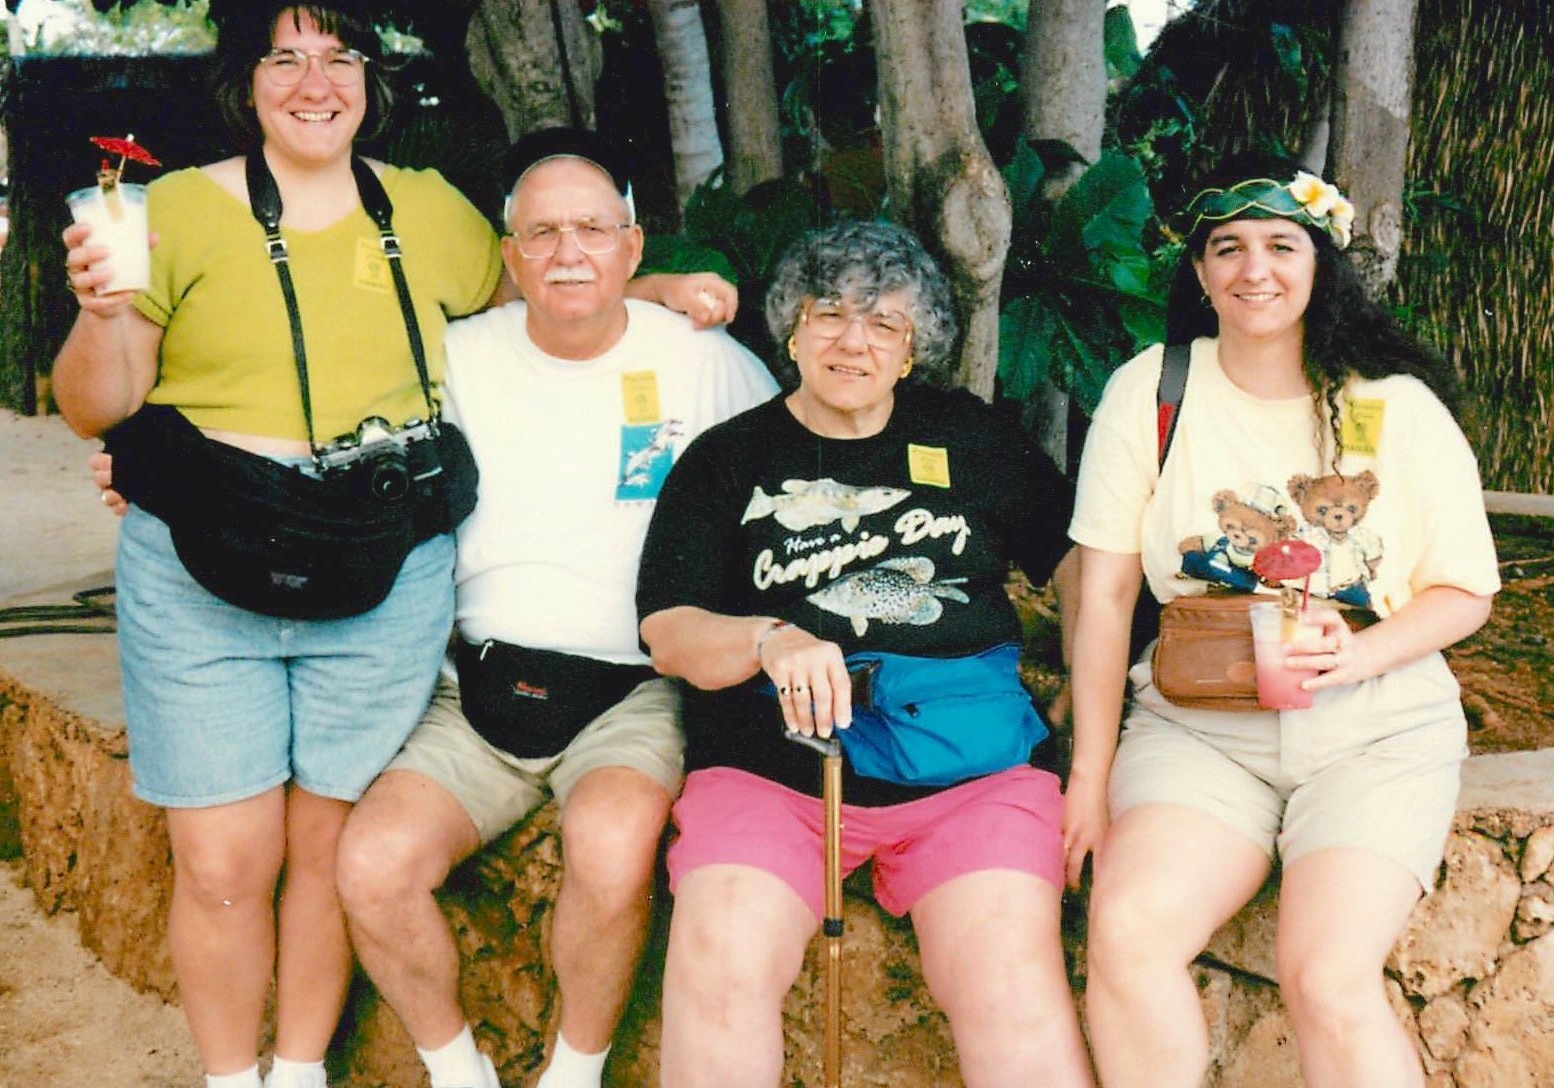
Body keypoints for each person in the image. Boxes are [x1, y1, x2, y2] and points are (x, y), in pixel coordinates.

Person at [54, 0, 734, 1088]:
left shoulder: (424, 209)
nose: (315, 84)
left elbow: (538, 288)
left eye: (340, 58)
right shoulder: (167, 208)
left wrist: (648, 287)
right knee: (222, 862)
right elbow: (98, 405)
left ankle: (300, 1068)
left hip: (374, 563)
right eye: (285, 60)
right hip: (205, 560)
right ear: (244, 82)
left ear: (371, 81)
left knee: (328, 846)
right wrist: (99, 315)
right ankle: (233, 1078)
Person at [332, 128, 777, 1088]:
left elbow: (793, 464)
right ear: (509, 254)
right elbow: (326, 434)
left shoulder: (702, 360)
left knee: (612, 845)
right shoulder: (455, 358)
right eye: (541, 234)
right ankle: (458, 1070)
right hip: (474, 691)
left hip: (633, 689)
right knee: (370, 865)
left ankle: (574, 1073)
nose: (567, 251)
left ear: (632, 244)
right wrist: (149, 473)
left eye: (591, 229)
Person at [1064, 153, 1500, 1087]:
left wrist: (1360, 655)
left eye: (1280, 245)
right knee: (1129, 935)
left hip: (1375, 731)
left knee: (1327, 978)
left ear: (1319, 263)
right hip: (1199, 729)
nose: (1253, 269)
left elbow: (1467, 591)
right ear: (1198, 269)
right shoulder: (1151, 390)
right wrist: (1088, 778)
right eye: (1228, 248)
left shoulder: (1397, 404)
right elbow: (1103, 595)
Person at [635, 220, 1094, 1087]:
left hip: (969, 774)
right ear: (792, 329)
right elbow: (668, 629)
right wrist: (767, 637)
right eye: (831, 314)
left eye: (884, 323)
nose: (854, 342)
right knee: (720, 965)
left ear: (914, 349)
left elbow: (1078, 559)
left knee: (1007, 984)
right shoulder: (728, 458)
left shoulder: (971, 439)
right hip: (774, 772)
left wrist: (1085, 673)